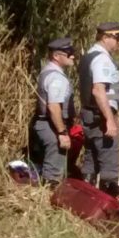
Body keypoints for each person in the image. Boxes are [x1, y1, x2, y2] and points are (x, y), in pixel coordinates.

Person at [79, 22, 119, 197]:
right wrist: (109, 119)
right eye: (118, 37)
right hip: (100, 116)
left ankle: (86, 197)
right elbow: (98, 91)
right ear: (106, 37)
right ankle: (107, 202)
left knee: (91, 157)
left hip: (90, 114)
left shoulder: (89, 55)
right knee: (109, 161)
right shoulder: (102, 59)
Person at [30, 37, 77, 187]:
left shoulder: (49, 71)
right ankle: (48, 194)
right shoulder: (56, 77)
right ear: (56, 56)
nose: (73, 56)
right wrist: (62, 133)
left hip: (46, 124)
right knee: (54, 171)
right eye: (69, 52)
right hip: (51, 126)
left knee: (45, 164)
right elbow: (54, 106)